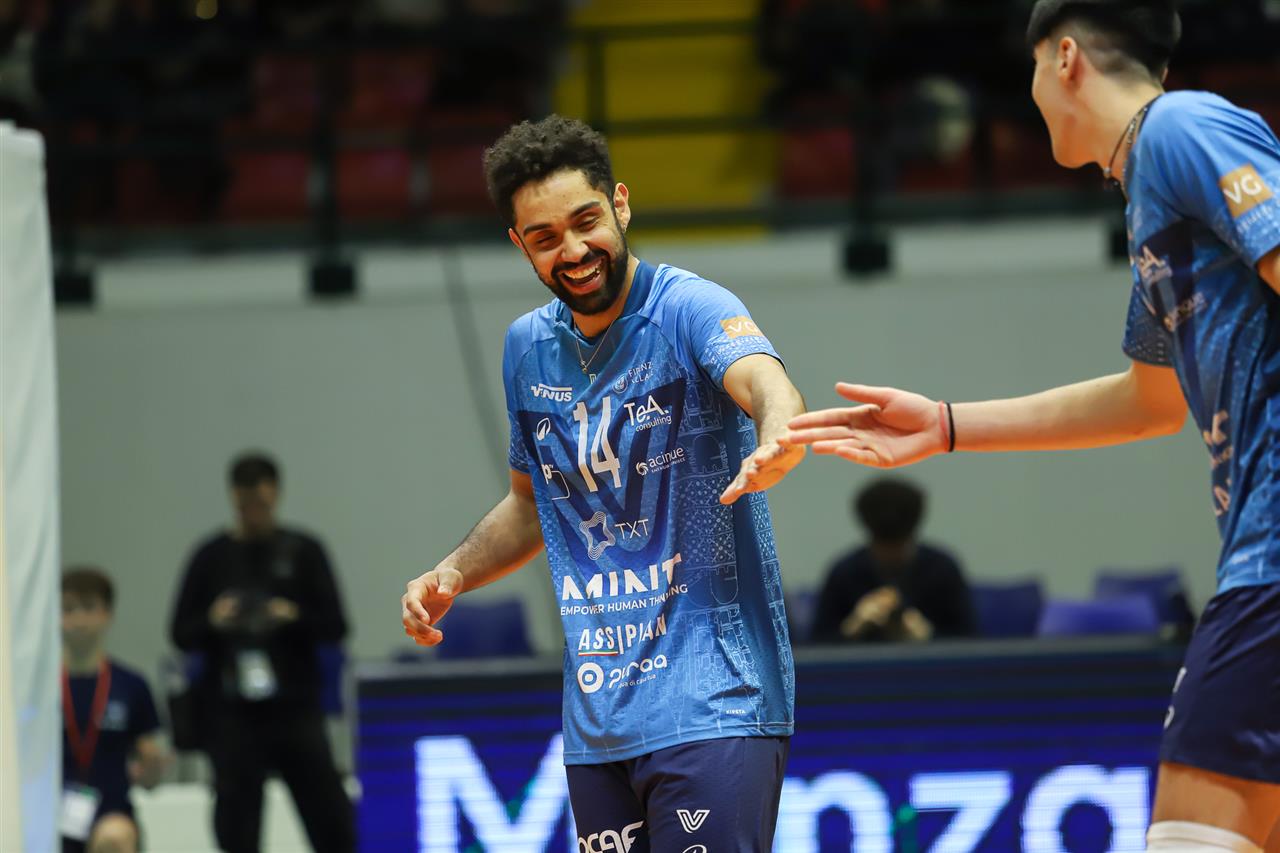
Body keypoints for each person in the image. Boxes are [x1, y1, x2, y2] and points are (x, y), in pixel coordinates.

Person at [786, 1, 1280, 849]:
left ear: (1065, 57)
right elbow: (1150, 403)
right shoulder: (1149, 197)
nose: (1032, 94)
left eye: (1031, 71)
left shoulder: (1181, 128)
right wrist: (945, 425)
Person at [401, 115, 808, 852]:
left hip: (716, 702)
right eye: (545, 237)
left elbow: (764, 381)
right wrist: (453, 571)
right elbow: (533, 505)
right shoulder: (526, 348)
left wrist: (778, 431)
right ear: (519, 244)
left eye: (586, 222)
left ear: (620, 204)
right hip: (598, 726)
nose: (573, 250)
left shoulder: (689, 306)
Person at [169, 452, 354, 853]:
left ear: (276, 496)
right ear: (233, 498)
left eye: (262, 502)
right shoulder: (211, 557)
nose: (254, 512)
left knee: (330, 815)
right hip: (232, 709)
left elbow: (336, 626)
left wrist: (292, 615)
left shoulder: (303, 551)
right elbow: (181, 632)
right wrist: (215, 621)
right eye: (246, 503)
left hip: (295, 705)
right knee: (237, 820)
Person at [60, 566, 169, 853]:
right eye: (68, 609)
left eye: (88, 608)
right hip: (48, 813)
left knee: (115, 838)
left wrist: (152, 766)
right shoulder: (39, 688)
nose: (79, 619)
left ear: (107, 614)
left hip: (110, 813)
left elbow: (150, 780)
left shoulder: (130, 685)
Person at [810, 478, 974, 644]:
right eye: (883, 547)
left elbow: (971, 641)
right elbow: (814, 646)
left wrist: (928, 637)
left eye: (898, 546)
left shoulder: (943, 570)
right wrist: (852, 628)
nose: (890, 556)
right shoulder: (844, 573)